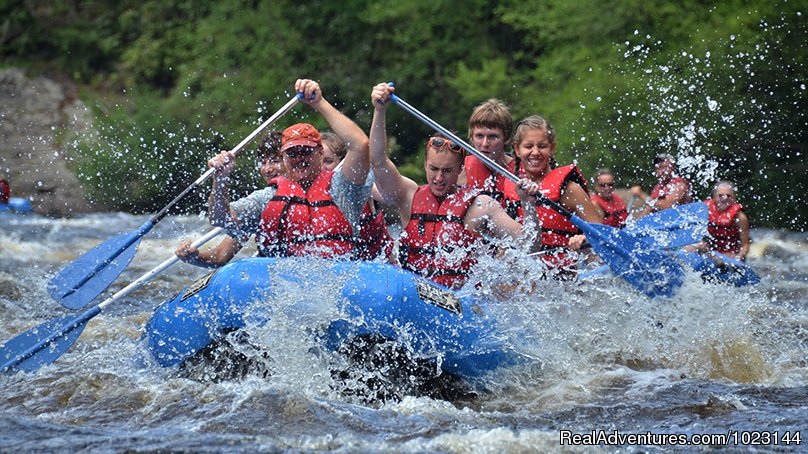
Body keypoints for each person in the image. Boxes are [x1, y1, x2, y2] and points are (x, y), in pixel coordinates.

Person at [370, 83, 543, 289]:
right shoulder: (408, 194)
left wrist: (528, 204)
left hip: (458, 301)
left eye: (447, 171)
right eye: (434, 169)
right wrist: (379, 111)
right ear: (425, 164)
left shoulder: (481, 205)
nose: (439, 178)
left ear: (461, 169)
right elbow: (378, 161)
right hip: (413, 291)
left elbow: (529, 245)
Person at [208, 79, 373, 259]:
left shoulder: (342, 186)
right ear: (284, 158)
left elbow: (361, 145)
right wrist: (221, 179)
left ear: (319, 153)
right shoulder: (267, 197)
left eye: (305, 151)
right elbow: (220, 219)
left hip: (339, 275)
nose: (299, 158)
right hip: (286, 281)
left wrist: (319, 103)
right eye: (292, 154)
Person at [175, 131, 284, 268]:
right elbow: (220, 228)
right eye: (263, 162)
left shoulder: (317, 189)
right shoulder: (262, 201)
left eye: (275, 161)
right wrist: (194, 257)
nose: (267, 169)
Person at [511, 115, 603, 270]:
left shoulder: (570, 189)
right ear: (517, 149)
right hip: (526, 276)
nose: (535, 152)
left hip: (563, 278)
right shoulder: (512, 189)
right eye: (528, 146)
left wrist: (584, 238)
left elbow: (601, 235)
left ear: (552, 149)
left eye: (542, 146)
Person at [459, 98, 522, 220]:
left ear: (507, 138)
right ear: (471, 136)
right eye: (479, 136)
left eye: (493, 137)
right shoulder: (461, 170)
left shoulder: (522, 172)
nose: (484, 144)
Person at [686, 181, 751, 261]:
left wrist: (737, 257)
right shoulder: (704, 211)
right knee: (689, 248)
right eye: (720, 196)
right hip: (709, 252)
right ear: (714, 196)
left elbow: (745, 245)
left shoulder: (740, 217)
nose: (724, 199)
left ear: (734, 198)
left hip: (729, 255)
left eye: (728, 196)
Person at [630, 153, 693, 219]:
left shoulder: (680, 184)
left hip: (682, 222)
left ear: (673, 168)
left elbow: (667, 206)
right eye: (658, 168)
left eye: (665, 167)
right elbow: (650, 208)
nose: (662, 171)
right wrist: (636, 223)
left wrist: (641, 194)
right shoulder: (658, 187)